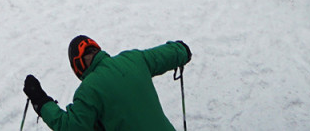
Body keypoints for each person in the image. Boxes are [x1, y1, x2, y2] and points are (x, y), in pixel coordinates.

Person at [23, 34, 191, 131]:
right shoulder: (133, 59)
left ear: (77, 65)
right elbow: (165, 55)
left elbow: (71, 127)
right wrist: (180, 50)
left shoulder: (89, 89)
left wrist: (41, 101)